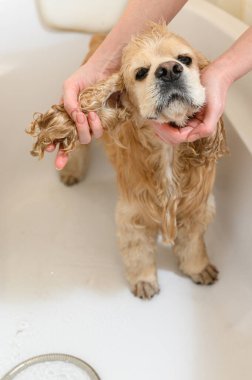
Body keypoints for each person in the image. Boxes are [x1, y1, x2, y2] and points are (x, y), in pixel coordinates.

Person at [47, 0, 252, 170]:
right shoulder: (119, 98)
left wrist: (221, 74)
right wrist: (101, 65)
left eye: (184, 60)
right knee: (83, 122)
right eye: (142, 72)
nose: (169, 70)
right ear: (123, 99)